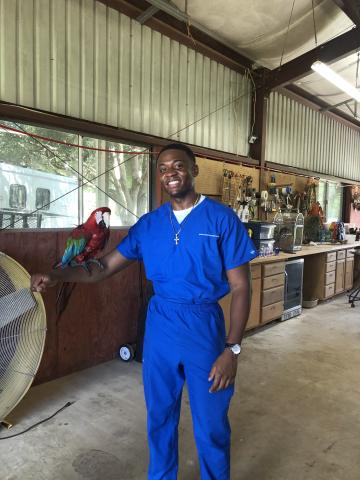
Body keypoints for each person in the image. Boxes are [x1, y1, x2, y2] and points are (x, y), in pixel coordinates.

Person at [31, 143, 257, 480]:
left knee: (210, 422)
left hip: (203, 327)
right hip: (161, 326)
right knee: (160, 417)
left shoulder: (221, 219)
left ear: (193, 170)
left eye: (178, 166)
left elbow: (241, 287)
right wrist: (57, 274)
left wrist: (232, 348)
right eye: (163, 168)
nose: (170, 174)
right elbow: (103, 267)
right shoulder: (149, 225)